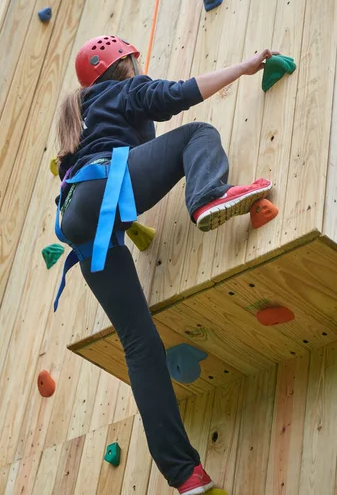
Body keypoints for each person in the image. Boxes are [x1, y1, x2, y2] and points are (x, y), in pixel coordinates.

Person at [55, 35, 277, 494]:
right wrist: (243, 66)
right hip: (107, 189)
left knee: (140, 347)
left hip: (79, 215)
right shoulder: (121, 90)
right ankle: (207, 198)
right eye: (137, 61)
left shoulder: (82, 115)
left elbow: (95, 196)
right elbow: (178, 95)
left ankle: (186, 476)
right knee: (198, 134)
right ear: (127, 64)